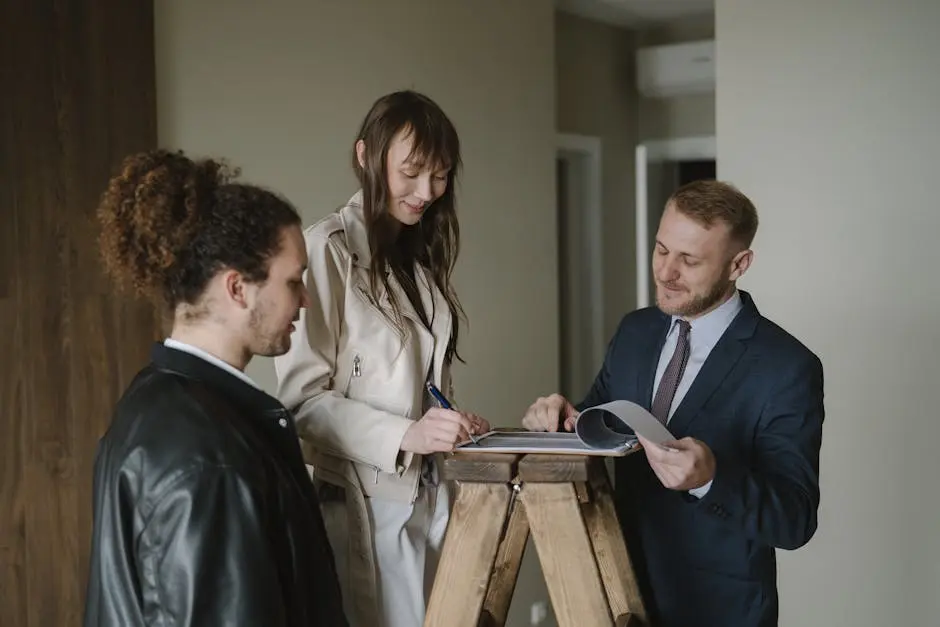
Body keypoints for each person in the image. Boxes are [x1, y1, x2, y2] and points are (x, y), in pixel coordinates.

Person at [522, 180, 824, 627]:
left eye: (689, 260)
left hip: (718, 610)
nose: (665, 272)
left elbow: (794, 519)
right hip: (615, 592)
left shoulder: (788, 366)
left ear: (738, 264)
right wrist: (562, 417)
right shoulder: (635, 331)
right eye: (662, 250)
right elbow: (598, 418)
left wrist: (711, 478)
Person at [83, 149, 348, 627]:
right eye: (294, 281)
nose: (306, 299)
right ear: (238, 288)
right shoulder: (210, 457)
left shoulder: (153, 402)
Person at [274, 90, 490, 627]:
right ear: (366, 157)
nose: (426, 193)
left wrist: (448, 422)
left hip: (424, 498)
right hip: (359, 509)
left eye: (439, 176)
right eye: (412, 172)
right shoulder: (326, 251)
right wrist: (405, 435)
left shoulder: (416, 258)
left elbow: (411, 381)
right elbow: (301, 403)